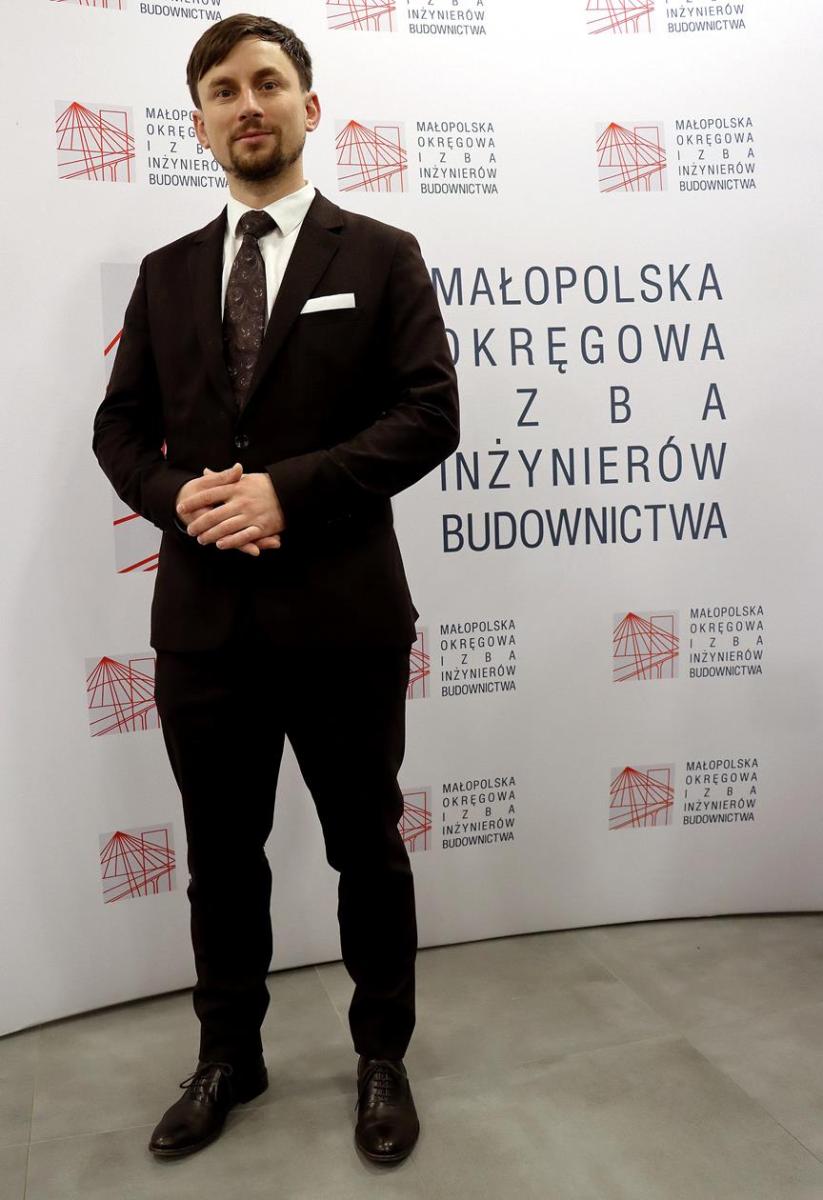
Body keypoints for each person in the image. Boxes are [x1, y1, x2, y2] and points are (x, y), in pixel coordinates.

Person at [92, 13, 458, 1166]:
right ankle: (228, 1056)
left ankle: (381, 1055)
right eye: (222, 90)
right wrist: (174, 498)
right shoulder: (163, 276)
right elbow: (118, 428)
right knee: (219, 859)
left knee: (367, 851)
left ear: (310, 104)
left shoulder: (381, 254)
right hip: (204, 628)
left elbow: (428, 414)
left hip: (344, 618)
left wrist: (284, 493)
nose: (246, 104)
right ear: (200, 124)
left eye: (266, 83)